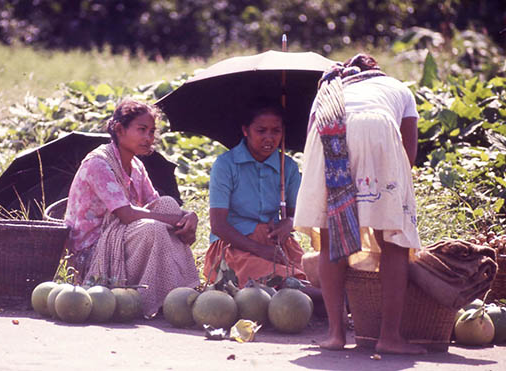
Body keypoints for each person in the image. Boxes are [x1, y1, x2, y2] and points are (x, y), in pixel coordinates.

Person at [293, 53, 425, 354]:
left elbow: (310, 140)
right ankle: (389, 337)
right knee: (393, 240)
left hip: (328, 131)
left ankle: (336, 335)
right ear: (377, 71)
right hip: (376, 128)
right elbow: (409, 155)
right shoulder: (398, 88)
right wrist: (386, 195)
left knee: (330, 237)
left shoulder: (329, 92)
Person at [64, 98, 200, 317]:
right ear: (120, 129)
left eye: (152, 131)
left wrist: (188, 216)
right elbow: (127, 214)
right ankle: (153, 300)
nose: (149, 138)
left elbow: (158, 205)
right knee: (153, 228)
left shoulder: (136, 166)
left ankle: (180, 294)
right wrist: (176, 221)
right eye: (142, 130)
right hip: (92, 251)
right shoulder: (98, 163)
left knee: (169, 204)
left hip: (119, 236)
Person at [203, 104, 310, 289]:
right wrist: (260, 250)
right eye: (261, 131)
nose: (269, 138)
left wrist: (290, 222)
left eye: (276, 131)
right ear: (246, 130)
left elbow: (297, 214)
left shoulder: (288, 167)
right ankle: (330, 300)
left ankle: (323, 298)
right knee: (280, 281)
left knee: (309, 274)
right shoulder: (226, 165)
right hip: (234, 247)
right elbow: (218, 225)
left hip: (275, 244)